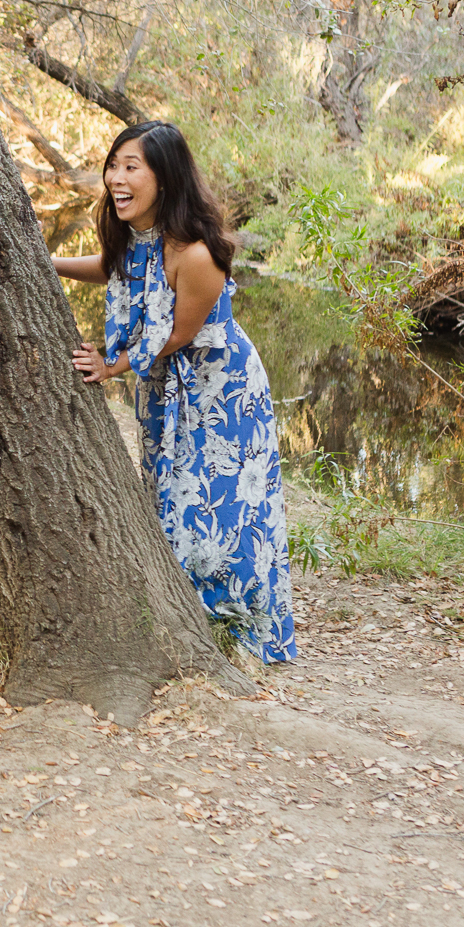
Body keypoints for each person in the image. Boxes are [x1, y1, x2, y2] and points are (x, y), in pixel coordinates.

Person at [53, 122, 296, 664]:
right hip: (167, 391)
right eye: (113, 165)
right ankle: (185, 628)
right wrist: (45, 265)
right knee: (168, 501)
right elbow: (114, 271)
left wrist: (109, 365)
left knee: (222, 513)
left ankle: (241, 639)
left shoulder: (199, 253)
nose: (116, 177)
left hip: (221, 393)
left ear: (165, 178)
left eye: (131, 166)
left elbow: (178, 335)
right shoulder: (138, 236)